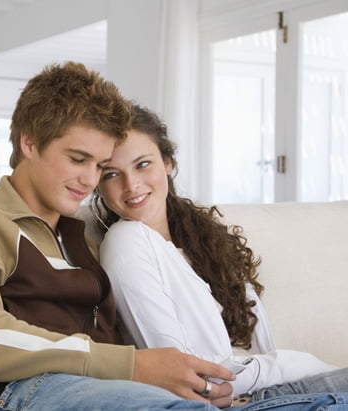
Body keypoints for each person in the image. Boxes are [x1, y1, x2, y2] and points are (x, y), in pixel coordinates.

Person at [0, 62, 348, 411]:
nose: (89, 180)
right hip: (18, 393)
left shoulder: (81, 240)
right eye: (78, 159)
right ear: (29, 143)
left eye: (98, 166)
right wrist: (132, 365)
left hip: (115, 390)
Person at [94, 104, 348, 404]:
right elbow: (192, 376)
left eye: (143, 164)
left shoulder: (202, 239)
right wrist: (293, 364)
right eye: (111, 174)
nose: (131, 184)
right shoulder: (126, 242)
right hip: (257, 397)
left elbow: (259, 349)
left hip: (280, 389)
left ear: (168, 163)